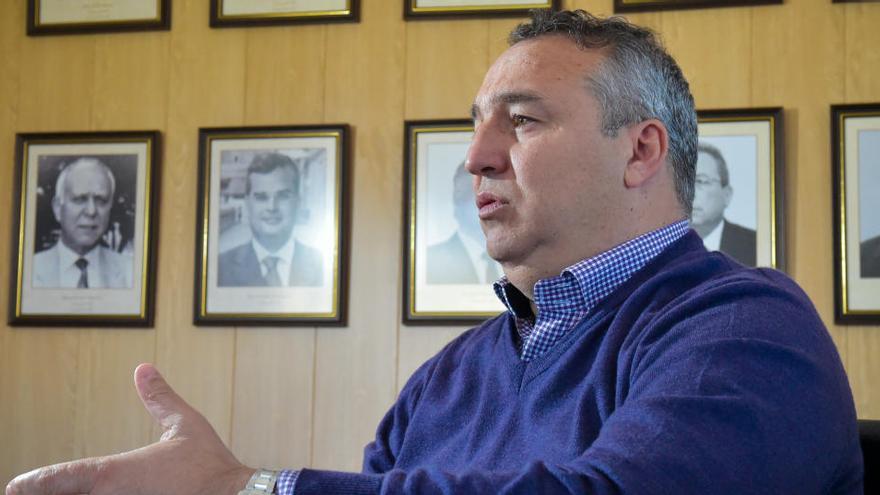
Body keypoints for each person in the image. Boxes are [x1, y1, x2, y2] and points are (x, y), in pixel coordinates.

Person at [7, 9, 862, 495]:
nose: (476, 157)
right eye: (476, 125)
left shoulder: (748, 328)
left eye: (522, 121)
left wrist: (249, 490)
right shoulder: (448, 380)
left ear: (641, 152)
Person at [217, 152, 323, 287]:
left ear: (298, 203)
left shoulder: (324, 266)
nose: (272, 207)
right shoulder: (220, 269)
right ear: (247, 203)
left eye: (283, 196)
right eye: (261, 197)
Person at [32, 157, 132, 289]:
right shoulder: (29, 270)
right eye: (80, 199)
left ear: (110, 208)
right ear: (57, 208)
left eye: (101, 200)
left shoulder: (130, 272)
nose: (91, 211)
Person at [426, 162, 502, 284]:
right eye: (467, 192)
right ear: (455, 201)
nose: (476, 200)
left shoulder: (520, 257)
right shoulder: (430, 258)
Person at [690, 142, 757, 265]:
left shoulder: (754, 244)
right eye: (683, 182)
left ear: (727, 195)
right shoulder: (658, 248)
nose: (690, 192)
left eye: (701, 181)